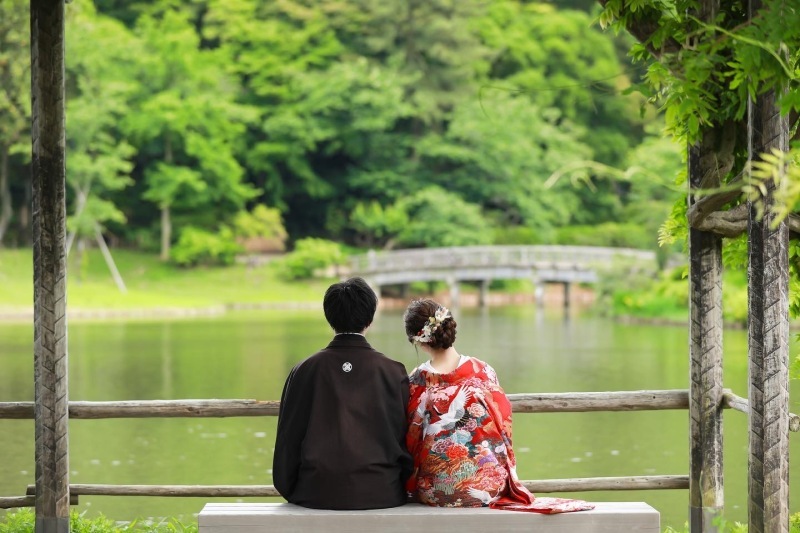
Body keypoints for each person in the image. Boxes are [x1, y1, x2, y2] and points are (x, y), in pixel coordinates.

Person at [403, 299, 594, 513]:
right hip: (487, 487)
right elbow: (502, 427)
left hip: (434, 492)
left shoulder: (417, 380)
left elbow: (411, 436)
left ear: (417, 340)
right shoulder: (483, 371)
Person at [273, 277, 412, 510]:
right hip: (381, 492)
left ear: (330, 317)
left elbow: (288, 442)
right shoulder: (392, 371)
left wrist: (293, 489)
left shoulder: (304, 371)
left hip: (315, 491)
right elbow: (405, 439)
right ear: (369, 318)